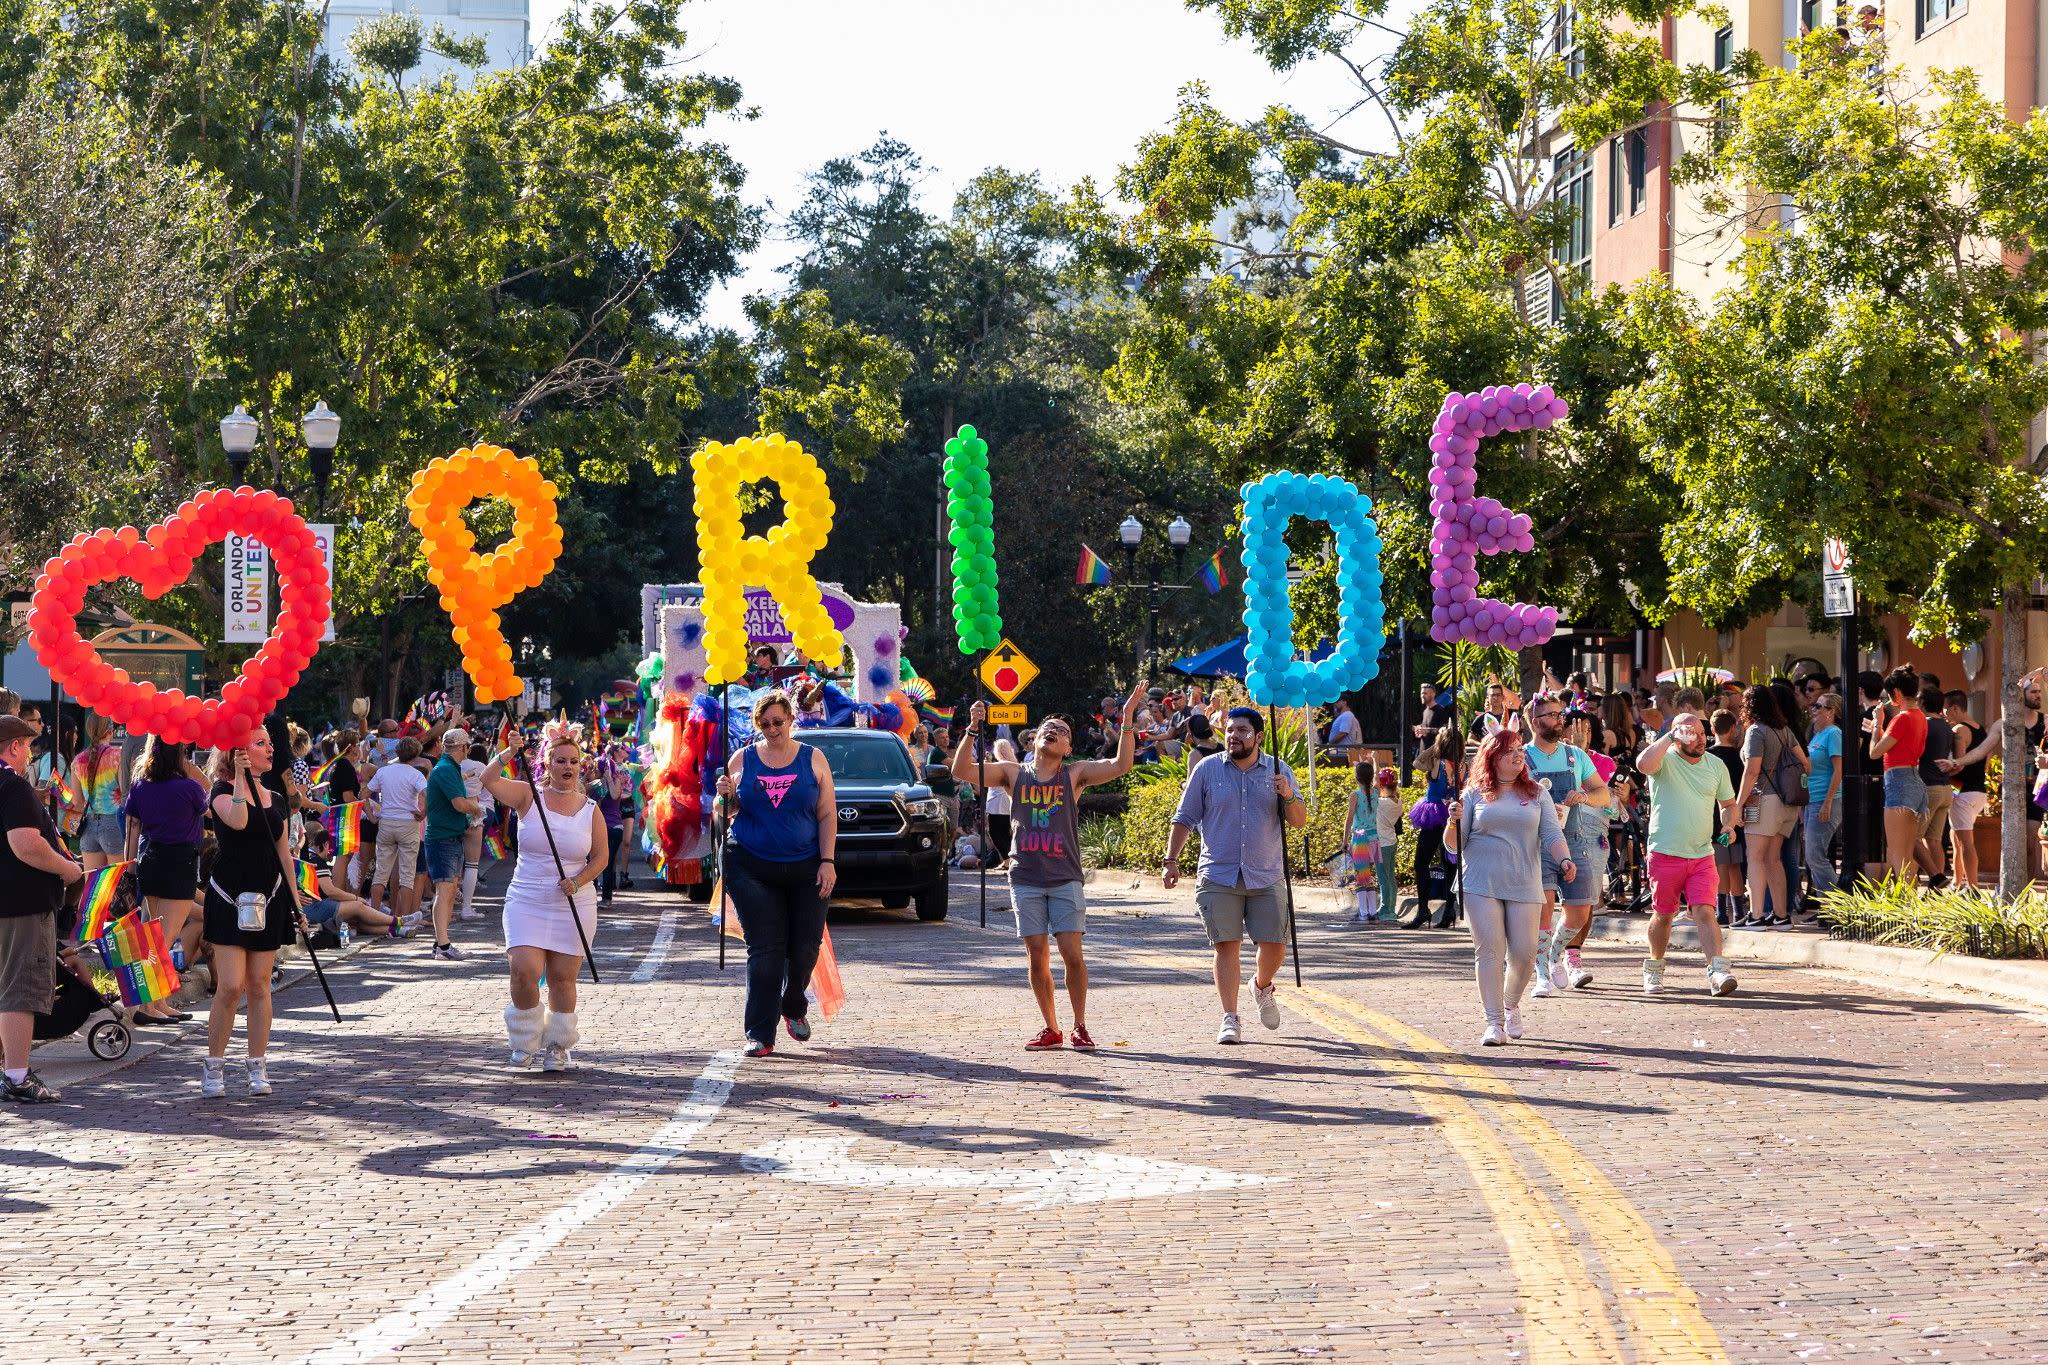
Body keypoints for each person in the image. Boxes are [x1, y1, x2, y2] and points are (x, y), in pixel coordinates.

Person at [956, 684, 1141, 1050]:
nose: (1054, 731)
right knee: (1036, 954)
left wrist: (1129, 717)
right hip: (1024, 877)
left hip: (1064, 877)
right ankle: (1051, 1027)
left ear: (1069, 748)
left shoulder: (1074, 775)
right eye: (1048, 727)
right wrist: (973, 728)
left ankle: (1080, 1025)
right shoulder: (1013, 773)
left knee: (1072, 953)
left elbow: (1122, 764)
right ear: (1035, 739)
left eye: (1063, 731)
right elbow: (963, 770)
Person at [1163, 708, 1306, 1045]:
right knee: (1226, 945)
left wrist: (1287, 793)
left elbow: (1298, 821)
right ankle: (1230, 1017)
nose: (1233, 736)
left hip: (1266, 873)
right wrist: (1170, 860)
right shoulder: (1207, 769)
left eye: (1242, 730)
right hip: (1217, 873)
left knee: (1275, 946)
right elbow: (1184, 818)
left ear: (1257, 737)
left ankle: (1261, 986)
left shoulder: (1277, 770)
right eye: (1229, 730)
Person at [715, 691, 838, 1059]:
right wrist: (724, 798)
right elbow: (726, 815)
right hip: (750, 864)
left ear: (790, 720)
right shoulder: (743, 759)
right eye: (764, 724)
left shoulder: (813, 759)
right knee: (766, 948)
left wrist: (827, 861)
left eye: (778, 722)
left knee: (804, 947)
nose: (772, 729)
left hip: (806, 866)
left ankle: (794, 1004)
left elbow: (827, 814)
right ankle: (759, 1033)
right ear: (758, 725)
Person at [483, 722, 607, 1071]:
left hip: (574, 902)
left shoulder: (590, 808)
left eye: (573, 762)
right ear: (547, 764)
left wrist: (579, 880)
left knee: (562, 979)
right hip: (527, 897)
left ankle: (558, 1046)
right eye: (560, 761)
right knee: (524, 970)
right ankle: (524, 1043)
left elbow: (600, 857)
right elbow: (489, 781)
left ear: (580, 767)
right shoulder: (527, 795)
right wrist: (508, 752)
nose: (567, 767)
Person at [1445, 729, 1574, 1045]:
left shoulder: (1536, 793)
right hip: (1480, 880)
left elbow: (1552, 835)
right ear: (1491, 758)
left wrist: (1565, 860)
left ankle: (1510, 1003)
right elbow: (1453, 846)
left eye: (1519, 749)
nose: (1517, 755)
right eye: (1508, 751)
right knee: (1489, 950)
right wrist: (1453, 821)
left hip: (1524, 881)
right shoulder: (1472, 794)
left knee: (1525, 954)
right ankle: (1494, 1022)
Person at [200, 726, 309, 1099]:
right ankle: (214, 1067)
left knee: (261, 984)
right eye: (260, 743)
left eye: (269, 742)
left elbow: (285, 857)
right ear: (237, 752)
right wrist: (241, 778)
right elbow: (239, 821)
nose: (269, 748)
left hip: (270, 896)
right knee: (231, 985)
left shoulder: (278, 799)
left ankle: (257, 1064)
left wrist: (297, 906)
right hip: (229, 895)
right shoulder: (219, 792)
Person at [0, 715, 83, 1103]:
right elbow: (26, 844)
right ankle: (17, 1076)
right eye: (28, 746)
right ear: (15, 746)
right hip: (21, 904)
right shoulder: (13, 786)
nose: (31, 754)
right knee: (20, 989)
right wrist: (68, 869)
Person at [1636, 713, 1740, 997]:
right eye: (1691, 733)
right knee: (1664, 915)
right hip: (1665, 853)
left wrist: (1729, 824)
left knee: (1705, 911)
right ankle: (1654, 968)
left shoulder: (1716, 764)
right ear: (1678, 736)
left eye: (1702, 733)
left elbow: (1729, 804)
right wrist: (1670, 736)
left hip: (1702, 854)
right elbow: (1643, 764)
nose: (1700, 739)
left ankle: (1717, 971)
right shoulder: (1665, 759)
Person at [1523, 693, 1610, 994]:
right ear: (1536, 722)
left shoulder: (1576, 755)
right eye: (1553, 715)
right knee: (1544, 909)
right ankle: (1541, 974)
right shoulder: (1522, 758)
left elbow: (1604, 794)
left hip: (1575, 839)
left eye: (1561, 715)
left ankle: (1554, 954)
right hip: (1538, 843)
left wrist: (1584, 797)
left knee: (1580, 913)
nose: (1561, 720)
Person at [121, 737, 208, 1023]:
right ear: (179, 756)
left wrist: (129, 870)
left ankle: (159, 1003)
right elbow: (211, 798)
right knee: (161, 941)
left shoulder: (140, 786)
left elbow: (133, 828)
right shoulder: (189, 788)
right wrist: (192, 770)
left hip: (151, 860)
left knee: (153, 937)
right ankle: (148, 1007)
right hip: (180, 862)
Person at [1943, 667, 2044, 883]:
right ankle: (2016, 887)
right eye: (2033, 692)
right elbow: (1981, 751)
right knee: (2016, 841)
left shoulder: (2046, 722)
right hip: (2013, 790)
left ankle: (2026, 885)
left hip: (2037, 788)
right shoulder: (2004, 724)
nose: (2038, 695)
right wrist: (1956, 762)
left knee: (2030, 838)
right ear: (2021, 696)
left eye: (2039, 691)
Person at [1732, 686, 1808, 928]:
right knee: (1774, 859)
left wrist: (1737, 805)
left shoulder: (1756, 731)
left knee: (1754, 857)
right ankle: (1781, 914)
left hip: (1762, 799)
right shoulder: (1784, 731)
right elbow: (1806, 764)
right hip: (1787, 803)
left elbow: (1752, 771)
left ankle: (1755, 916)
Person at [421, 728, 479, 959]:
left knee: (449, 889)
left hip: (449, 836)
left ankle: (441, 943)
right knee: (444, 891)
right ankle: (443, 947)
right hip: (443, 838)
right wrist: (477, 808)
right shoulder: (446, 769)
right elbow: (459, 804)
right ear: (463, 748)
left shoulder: (448, 768)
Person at [1865, 668, 1928, 877]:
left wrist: (1877, 725)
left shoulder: (1901, 718)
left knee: (1896, 855)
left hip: (1899, 782)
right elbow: (1894, 746)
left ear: (1897, 693)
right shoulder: (1919, 716)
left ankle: (1904, 904)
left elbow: (1874, 752)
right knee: (1906, 855)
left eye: (1889, 694)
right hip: (1913, 780)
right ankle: (1908, 905)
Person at [363, 736, 427, 926]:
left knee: (381, 872)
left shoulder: (384, 772)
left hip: (386, 822)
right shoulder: (416, 774)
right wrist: (423, 813)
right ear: (415, 756)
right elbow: (426, 794)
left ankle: (374, 918)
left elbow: (364, 792)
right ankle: (402, 921)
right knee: (407, 875)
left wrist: (372, 816)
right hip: (408, 823)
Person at [1408, 726, 1463, 928]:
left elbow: (1416, 763)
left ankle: (1423, 910)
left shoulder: (1436, 762)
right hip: (1453, 814)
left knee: (1421, 862)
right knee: (1449, 864)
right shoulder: (1461, 765)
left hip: (1433, 815)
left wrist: (1436, 744)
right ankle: (1449, 909)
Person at [1940, 691, 1987, 889]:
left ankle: (1973, 887)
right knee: (1955, 837)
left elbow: (1958, 764)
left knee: (1965, 842)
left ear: (1955, 708)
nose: (1943, 713)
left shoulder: (1959, 729)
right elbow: (1982, 763)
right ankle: (1957, 882)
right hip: (1978, 791)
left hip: (1964, 791)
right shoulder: (1981, 729)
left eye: (1945, 709)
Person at [70, 714, 128, 872]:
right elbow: (125, 794)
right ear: (111, 730)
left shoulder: (77, 761)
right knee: (117, 883)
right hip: (113, 824)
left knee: (92, 887)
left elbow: (78, 803)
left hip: (88, 825)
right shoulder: (118, 755)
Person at [1803, 693, 1846, 902]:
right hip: (1812, 800)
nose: (1814, 709)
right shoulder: (1817, 734)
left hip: (1826, 800)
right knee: (1813, 855)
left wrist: (1828, 802)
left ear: (1831, 712)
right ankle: (1826, 908)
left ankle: (1838, 906)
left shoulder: (1833, 733)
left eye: (1819, 706)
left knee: (1814, 855)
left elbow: (1838, 771)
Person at [1707, 709, 1747, 923]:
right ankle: (1738, 910)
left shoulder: (1708, 756)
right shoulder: (1740, 756)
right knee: (1735, 864)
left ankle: (1721, 911)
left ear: (1712, 730)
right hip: (1736, 812)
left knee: (1720, 864)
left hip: (1715, 814)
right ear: (1733, 729)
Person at [1915, 685, 1956, 887]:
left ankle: (1932, 877)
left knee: (1913, 838)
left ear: (1922, 702)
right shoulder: (1947, 726)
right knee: (1933, 840)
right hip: (1945, 787)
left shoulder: (1925, 724)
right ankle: (1937, 887)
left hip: (1928, 786)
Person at [1343, 760, 1383, 925]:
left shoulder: (1355, 795)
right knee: (1369, 876)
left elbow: (1349, 818)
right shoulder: (1376, 792)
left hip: (1360, 839)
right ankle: (1372, 912)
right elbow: (1378, 778)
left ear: (1356, 777)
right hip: (1374, 838)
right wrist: (1375, 760)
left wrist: (1344, 840)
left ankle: (1363, 913)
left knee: (1361, 877)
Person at [982, 738, 1017, 872]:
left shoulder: (999, 766)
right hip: (1008, 805)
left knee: (995, 833)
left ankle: (1007, 861)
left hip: (997, 805)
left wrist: (987, 765)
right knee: (1006, 834)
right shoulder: (1015, 764)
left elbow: (986, 782)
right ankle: (1008, 860)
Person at [1374, 767, 1403, 921]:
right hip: (1391, 841)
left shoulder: (1381, 803)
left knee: (1383, 879)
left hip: (1381, 844)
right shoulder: (1398, 802)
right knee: (1390, 877)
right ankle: (1391, 908)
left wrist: (1374, 762)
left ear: (1382, 787)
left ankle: (1386, 910)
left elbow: (1372, 790)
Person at [1325, 696, 1363, 763]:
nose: (1335, 704)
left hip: (1342, 754)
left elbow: (1343, 733)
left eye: (1337, 701)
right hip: (1340, 753)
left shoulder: (1347, 715)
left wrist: (1330, 743)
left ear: (1344, 702)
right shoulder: (1345, 716)